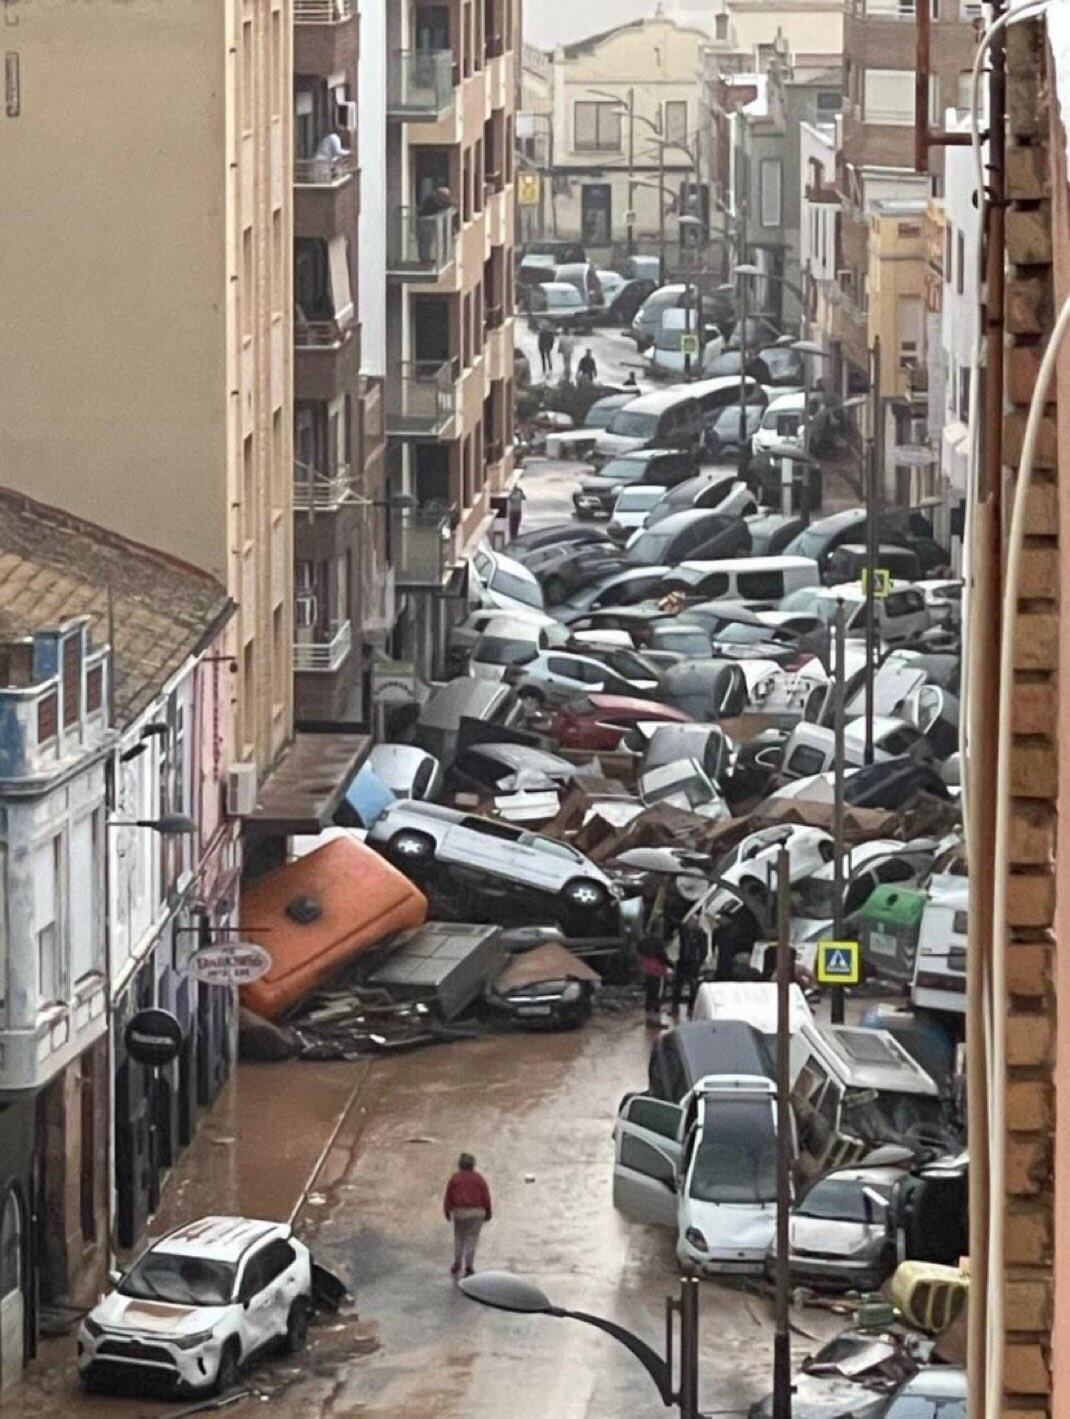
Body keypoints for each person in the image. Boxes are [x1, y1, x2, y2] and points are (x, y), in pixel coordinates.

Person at [443, 1152, 492, 1278]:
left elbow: (448, 1196)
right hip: (477, 1212)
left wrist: (447, 1211)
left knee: (459, 1237)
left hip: (459, 1212)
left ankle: (457, 1262)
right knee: (472, 1238)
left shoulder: (455, 1178)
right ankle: (469, 1266)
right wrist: (488, 1211)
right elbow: (486, 1196)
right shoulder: (479, 1179)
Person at [671, 915, 708, 1019]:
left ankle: (690, 1007)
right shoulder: (684, 931)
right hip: (683, 961)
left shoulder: (701, 934)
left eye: (693, 921)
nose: (691, 924)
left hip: (693, 962)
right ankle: (675, 1006)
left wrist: (700, 961)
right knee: (679, 985)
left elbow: (704, 950)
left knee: (692, 986)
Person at [637, 938, 670, 1027]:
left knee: (649, 996)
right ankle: (656, 1021)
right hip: (659, 975)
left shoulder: (645, 947)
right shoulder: (659, 948)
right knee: (658, 997)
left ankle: (649, 1020)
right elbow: (665, 961)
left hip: (649, 974)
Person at [418, 184, 453, 262]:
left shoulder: (436, 198)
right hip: (425, 220)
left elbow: (445, 205)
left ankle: (427, 257)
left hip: (430, 220)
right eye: (445, 196)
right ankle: (424, 258)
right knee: (425, 240)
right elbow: (439, 206)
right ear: (440, 194)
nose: (445, 198)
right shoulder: (433, 199)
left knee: (429, 240)